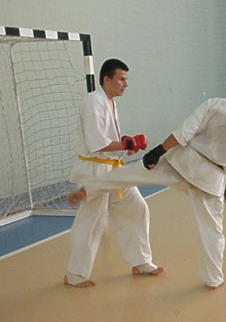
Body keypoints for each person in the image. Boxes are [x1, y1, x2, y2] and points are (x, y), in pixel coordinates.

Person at [68, 70, 226, 290]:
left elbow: (184, 133)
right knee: (212, 231)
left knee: (132, 174)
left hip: (183, 162)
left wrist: (157, 152)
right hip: (212, 178)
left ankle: (89, 188)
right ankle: (214, 279)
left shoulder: (215, 104)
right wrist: (223, 163)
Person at [64, 59, 163, 288]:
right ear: (106, 79)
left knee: (136, 208)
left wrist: (126, 145)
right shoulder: (93, 101)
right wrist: (127, 143)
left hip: (113, 169)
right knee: (92, 222)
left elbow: (109, 140)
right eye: (121, 79)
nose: (125, 84)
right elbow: (96, 143)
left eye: (126, 80)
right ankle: (74, 274)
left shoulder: (109, 102)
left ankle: (140, 262)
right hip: (95, 171)